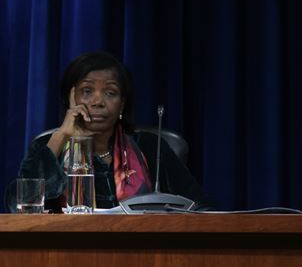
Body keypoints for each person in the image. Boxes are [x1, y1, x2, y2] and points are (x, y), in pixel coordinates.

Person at [4, 52, 212, 212]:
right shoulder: (48, 146)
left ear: (122, 104)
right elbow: (20, 207)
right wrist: (61, 136)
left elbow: (201, 208)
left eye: (110, 93)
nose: (98, 102)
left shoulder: (149, 146)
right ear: (71, 97)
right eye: (87, 91)